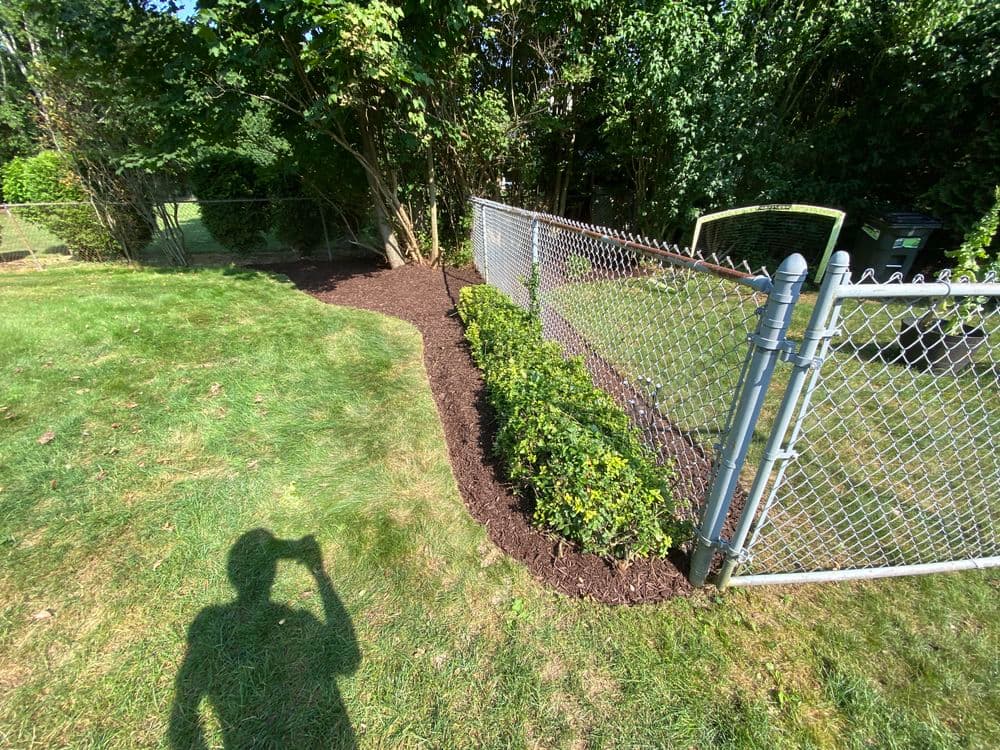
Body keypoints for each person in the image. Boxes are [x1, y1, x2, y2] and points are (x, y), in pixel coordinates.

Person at [168, 529, 360, 749]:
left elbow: (185, 706)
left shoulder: (208, 621)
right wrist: (319, 574)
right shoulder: (294, 621)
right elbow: (348, 660)